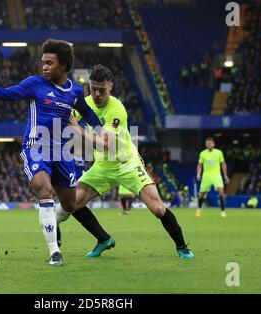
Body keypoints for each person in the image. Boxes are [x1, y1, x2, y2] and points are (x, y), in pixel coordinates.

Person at [0, 39, 105, 266]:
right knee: (43, 188)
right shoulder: (34, 84)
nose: (44, 66)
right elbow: (3, 94)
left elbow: (89, 115)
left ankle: (53, 223)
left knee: (70, 205)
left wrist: (101, 132)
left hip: (63, 153)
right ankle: (55, 251)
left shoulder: (74, 90)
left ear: (63, 65)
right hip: (36, 147)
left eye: (49, 63)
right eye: (43, 62)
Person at [55, 65, 194, 259]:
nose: (96, 94)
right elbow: (64, 121)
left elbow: (104, 143)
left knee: (157, 208)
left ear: (110, 87)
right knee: (72, 203)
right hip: (103, 166)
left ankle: (182, 247)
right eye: (93, 88)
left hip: (127, 163)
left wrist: (78, 130)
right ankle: (103, 239)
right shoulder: (84, 103)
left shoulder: (117, 109)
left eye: (101, 89)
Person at [195, 137, 230, 218]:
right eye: (207, 143)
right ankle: (199, 209)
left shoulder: (219, 153)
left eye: (210, 143)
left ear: (213, 144)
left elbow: (223, 164)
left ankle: (223, 211)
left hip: (216, 175)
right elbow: (200, 165)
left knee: (221, 191)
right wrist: (198, 174)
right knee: (201, 194)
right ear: (205, 144)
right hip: (206, 175)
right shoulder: (203, 153)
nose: (209, 144)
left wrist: (225, 175)